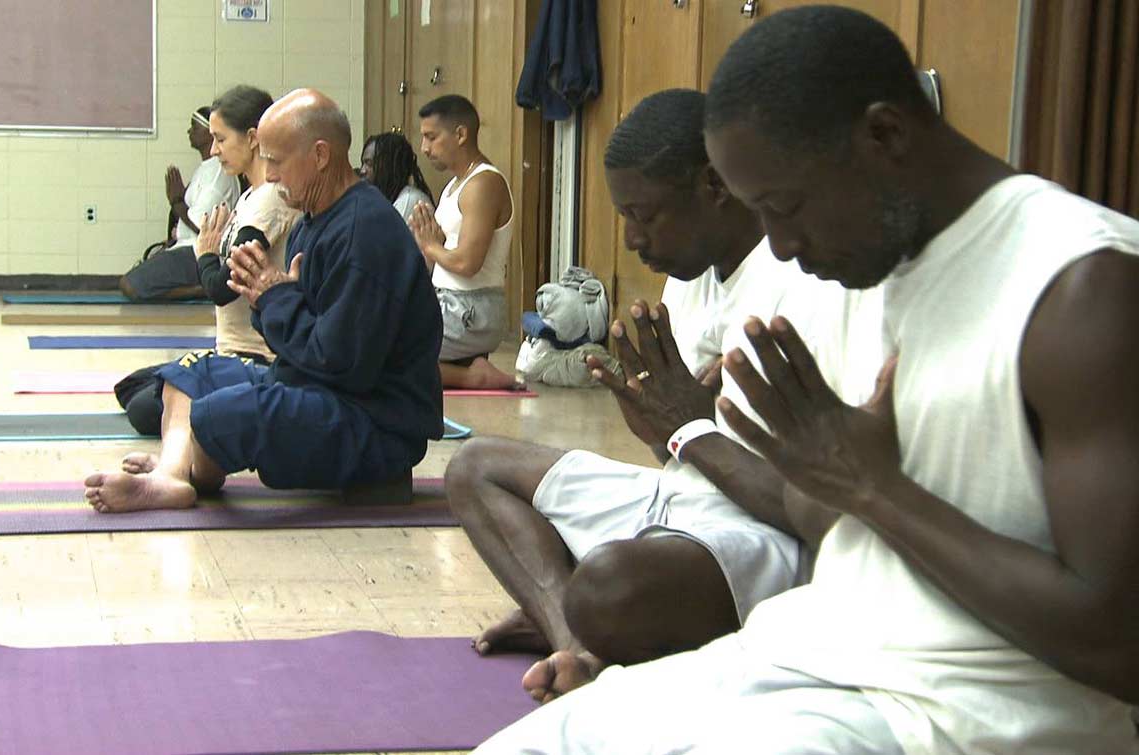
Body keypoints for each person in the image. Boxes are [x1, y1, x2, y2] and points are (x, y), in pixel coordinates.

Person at [474, 7, 1139, 754]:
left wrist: (874, 486)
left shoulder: (1083, 289)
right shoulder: (863, 267)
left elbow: (1118, 646)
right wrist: (797, 462)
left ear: (884, 135)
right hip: (811, 653)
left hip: (971, 710)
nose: (782, 246)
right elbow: (828, 527)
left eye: (785, 207)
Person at [446, 88, 881, 704]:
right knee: (475, 467)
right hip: (685, 496)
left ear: (714, 186)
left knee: (611, 585)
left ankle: (579, 617)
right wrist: (657, 424)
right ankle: (576, 642)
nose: (629, 240)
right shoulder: (689, 276)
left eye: (644, 216)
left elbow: (813, 512)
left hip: (761, 531)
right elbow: (677, 452)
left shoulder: (803, 285)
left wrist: (687, 428)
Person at [85, 88, 444, 513]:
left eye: (275, 161)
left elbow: (342, 365)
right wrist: (269, 300)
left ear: (320, 155)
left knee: (220, 413)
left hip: (373, 424)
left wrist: (275, 298)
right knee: (189, 375)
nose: (269, 175)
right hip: (316, 387)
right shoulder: (315, 221)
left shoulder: (364, 233)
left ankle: (179, 465)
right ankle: (174, 473)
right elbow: (300, 347)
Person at [113, 86, 302, 437]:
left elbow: (221, 288)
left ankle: (233, 408)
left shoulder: (270, 201)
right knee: (131, 387)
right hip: (230, 350)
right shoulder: (249, 195)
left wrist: (206, 254)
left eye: (220, 139)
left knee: (144, 406)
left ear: (252, 138)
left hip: (257, 358)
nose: (213, 150)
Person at [408, 95, 520, 390]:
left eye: (431, 137)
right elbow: (443, 256)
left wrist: (430, 245)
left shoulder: (484, 184)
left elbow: (467, 263)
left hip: (471, 311)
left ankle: (474, 376)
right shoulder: (453, 186)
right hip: (448, 303)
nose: (424, 148)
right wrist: (425, 246)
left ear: (460, 134)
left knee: (382, 355)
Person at [120, 106, 241, 301]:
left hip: (197, 252)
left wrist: (176, 201)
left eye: (194, 127)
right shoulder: (206, 168)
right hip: (185, 247)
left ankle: (205, 288)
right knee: (136, 278)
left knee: (129, 286)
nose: (189, 131)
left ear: (209, 133)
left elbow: (203, 227)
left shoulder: (218, 174)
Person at [359, 131, 433, 222]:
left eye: (369, 164)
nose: (362, 171)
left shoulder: (408, 201)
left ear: (389, 166)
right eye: (363, 164)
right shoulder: (388, 199)